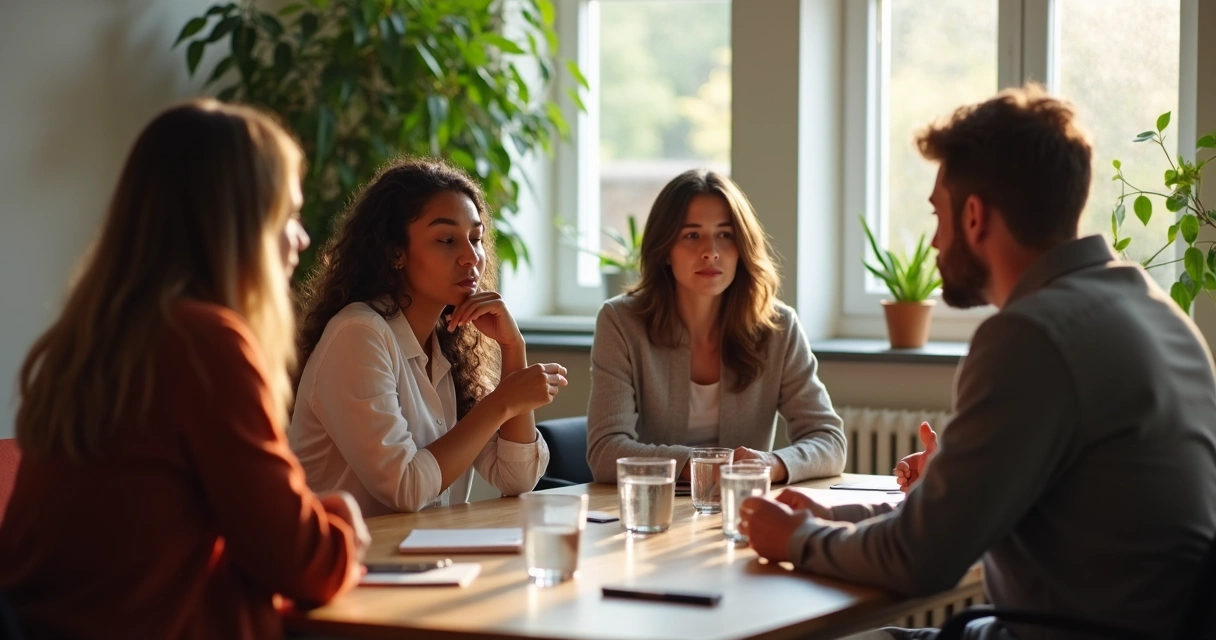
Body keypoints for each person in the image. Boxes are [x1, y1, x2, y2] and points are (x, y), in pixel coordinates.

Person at [739, 85, 1216, 639]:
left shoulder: (1030, 336)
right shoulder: (1155, 310)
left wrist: (794, 539)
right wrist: (850, 514)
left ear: (974, 216)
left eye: (938, 215)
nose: (936, 241)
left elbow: (921, 559)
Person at [0, 100, 369, 639]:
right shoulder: (204, 345)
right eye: (286, 215)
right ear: (238, 225)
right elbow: (302, 562)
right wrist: (339, 520)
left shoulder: (88, 340)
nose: (301, 238)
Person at [290, 158, 565, 517]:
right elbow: (405, 488)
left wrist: (513, 349)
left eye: (477, 239)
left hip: (425, 561)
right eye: (447, 240)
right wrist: (501, 403)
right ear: (395, 254)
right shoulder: (358, 334)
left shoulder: (449, 344)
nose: (471, 257)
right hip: (350, 564)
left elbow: (517, 478)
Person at [586, 169, 847, 484]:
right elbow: (605, 452)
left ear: (742, 248)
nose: (710, 251)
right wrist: (708, 466)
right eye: (692, 235)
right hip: (653, 511)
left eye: (725, 234)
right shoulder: (621, 322)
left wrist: (772, 464)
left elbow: (830, 442)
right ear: (665, 250)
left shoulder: (778, 327)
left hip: (743, 508)